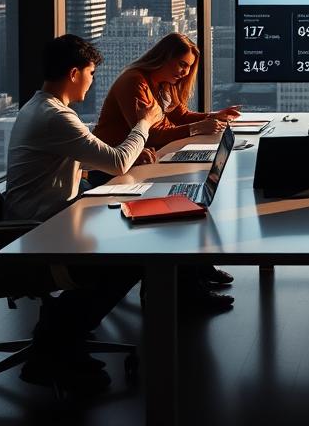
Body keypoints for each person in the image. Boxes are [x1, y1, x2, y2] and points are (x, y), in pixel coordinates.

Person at [4, 35, 162, 395]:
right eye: (90, 72)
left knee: (125, 235)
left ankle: (61, 331)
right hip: (41, 233)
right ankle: (56, 343)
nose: (92, 80)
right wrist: (143, 124)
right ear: (74, 73)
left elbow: (88, 163)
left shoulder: (39, 108)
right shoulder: (56, 117)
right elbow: (118, 161)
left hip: (48, 221)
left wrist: (126, 156)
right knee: (132, 259)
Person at [91, 32, 241, 303]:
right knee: (177, 207)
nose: (184, 73)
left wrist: (212, 117)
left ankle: (196, 270)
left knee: (189, 199)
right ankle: (186, 290)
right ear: (164, 57)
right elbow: (152, 134)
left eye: (188, 67)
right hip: (114, 168)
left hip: (142, 162)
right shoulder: (134, 82)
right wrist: (197, 128)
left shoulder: (163, 84)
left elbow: (179, 116)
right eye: (182, 65)